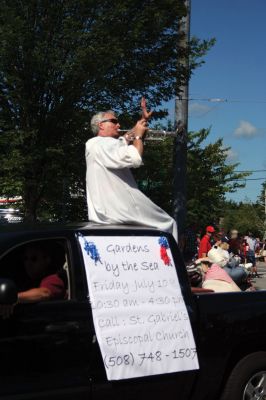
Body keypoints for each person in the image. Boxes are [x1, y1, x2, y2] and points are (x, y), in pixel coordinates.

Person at [85, 97, 178, 241]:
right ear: (100, 125)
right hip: (122, 209)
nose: (118, 124)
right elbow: (134, 157)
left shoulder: (97, 145)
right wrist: (139, 137)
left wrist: (142, 121)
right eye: (114, 121)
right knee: (168, 223)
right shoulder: (102, 143)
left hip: (106, 212)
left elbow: (125, 138)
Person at [0, 242, 66, 319]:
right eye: (25, 259)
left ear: (47, 260)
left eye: (33, 259)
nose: (28, 263)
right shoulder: (25, 281)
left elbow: (44, 293)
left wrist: (13, 298)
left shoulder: (53, 279)